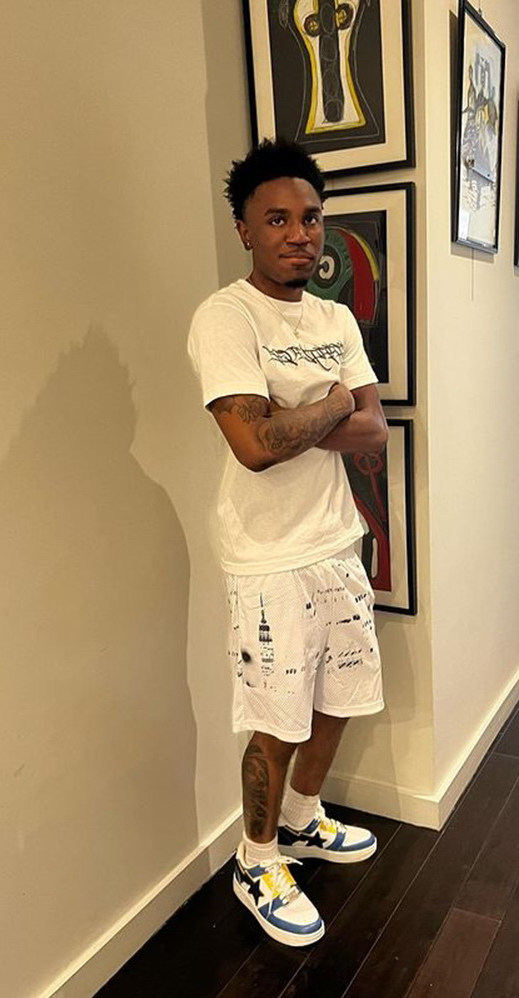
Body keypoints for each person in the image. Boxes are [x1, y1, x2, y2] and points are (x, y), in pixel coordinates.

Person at [187, 138, 387, 947]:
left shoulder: (335, 318)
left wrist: (295, 414)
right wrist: (333, 401)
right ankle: (256, 858)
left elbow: (375, 431)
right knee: (276, 721)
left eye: (310, 217)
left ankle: (302, 818)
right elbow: (254, 446)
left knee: (338, 701)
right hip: (268, 557)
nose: (299, 233)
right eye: (277, 219)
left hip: (336, 542)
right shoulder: (226, 317)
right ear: (244, 230)